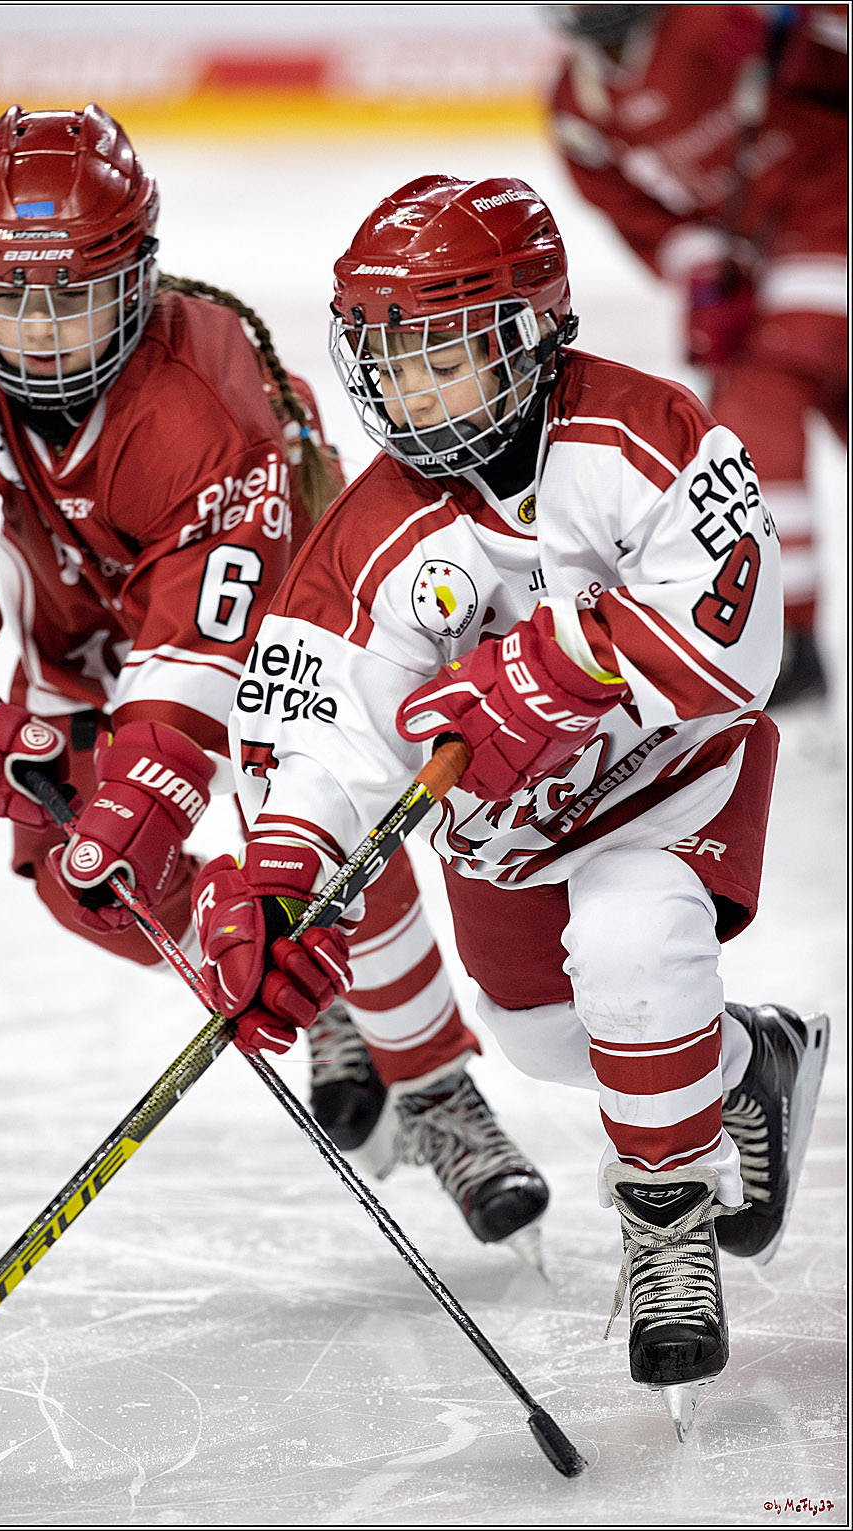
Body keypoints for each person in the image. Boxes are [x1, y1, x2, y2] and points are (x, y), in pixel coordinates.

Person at [189, 173, 830, 1426]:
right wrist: (277, 880)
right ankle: (753, 1060)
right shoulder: (369, 538)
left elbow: (737, 637)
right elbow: (325, 741)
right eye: (389, 358)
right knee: (547, 1036)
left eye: (442, 354)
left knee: (640, 936)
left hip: (667, 779)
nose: (410, 391)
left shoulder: (647, 431)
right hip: (515, 832)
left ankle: (669, 1229)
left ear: (532, 333)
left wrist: (565, 663)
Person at [0, 103, 542, 1251]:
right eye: (15, 297)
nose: (43, 335)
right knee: (85, 876)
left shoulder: (205, 404)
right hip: (86, 638)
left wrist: (147, 789)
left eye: (73, 295)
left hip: (284, 610)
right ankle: (299, 983)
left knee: (304, 827)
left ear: (137, 277)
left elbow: (193, 678)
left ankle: (435, 1092)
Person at [548, 3, 848, 706]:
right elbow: (624, 203)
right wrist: (701, 259)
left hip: (835, 212)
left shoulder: (718, 17)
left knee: (753, 398)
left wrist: (808, 25)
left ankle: (788, 642)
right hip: (759, 259)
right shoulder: (576, 99)